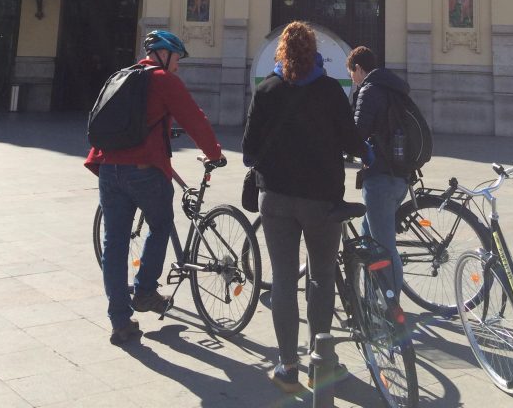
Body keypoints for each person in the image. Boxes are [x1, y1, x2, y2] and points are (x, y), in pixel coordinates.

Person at [242, 21, 368, 394]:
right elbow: (352, 141)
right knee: (321, 277)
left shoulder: (265, 91)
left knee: (283, 279)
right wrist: (369, 154)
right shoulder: (330, 91)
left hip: (275, 199)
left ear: (281, 52)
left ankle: (287, 365)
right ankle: (321, 361)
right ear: (314, 53)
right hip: (321, 200)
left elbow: (248, 150)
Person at [85, 30, 223, 345]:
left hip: (108, 168)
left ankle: (120, 321)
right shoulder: (162, 79)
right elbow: (194, 119)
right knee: (160, 224)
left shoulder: (122, 76)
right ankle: (145, 290)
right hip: (144, 171)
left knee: (115, 244)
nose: (178, 65)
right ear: (164, 54)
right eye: (177, 58)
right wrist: (215, 153)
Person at [346, 46, 411, 295]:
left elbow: (357, 133)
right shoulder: (395, 89)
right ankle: (370, 296)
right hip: (400, 174)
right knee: (367, 236)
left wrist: (341, 146)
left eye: (352, 74)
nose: (353, 80)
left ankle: (391, 307)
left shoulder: (370, 90)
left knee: (384, 247)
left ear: (359, 69)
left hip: (381, 175)